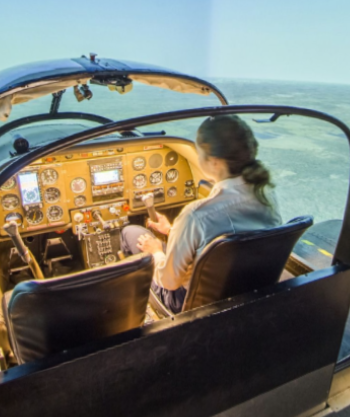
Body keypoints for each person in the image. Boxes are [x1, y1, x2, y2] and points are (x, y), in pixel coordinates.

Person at [121, 114, 282, 314]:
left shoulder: (196, 215)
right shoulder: (267, 195)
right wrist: (173, 230)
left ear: (215, 162)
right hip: (247, 293)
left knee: (131, 233)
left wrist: (155, 251)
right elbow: (223, 243)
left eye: (199, 152)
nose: (197, 157)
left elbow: (169, 281)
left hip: (191, 305)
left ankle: (137, 308)